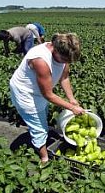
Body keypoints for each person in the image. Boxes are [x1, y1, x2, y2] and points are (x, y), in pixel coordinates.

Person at [9, 33, 85, 163]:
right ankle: (44, 159)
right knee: (39, 128)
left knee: (42, 116)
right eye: (65, 60)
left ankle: (42, 138)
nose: (67, 63)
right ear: (55, 51)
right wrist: (72, 108)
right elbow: (48, 94)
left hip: (39, 92)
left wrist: (71, 99)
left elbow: (64, 77)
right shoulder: (40, 60)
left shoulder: (65, 51)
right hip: (26, 93)